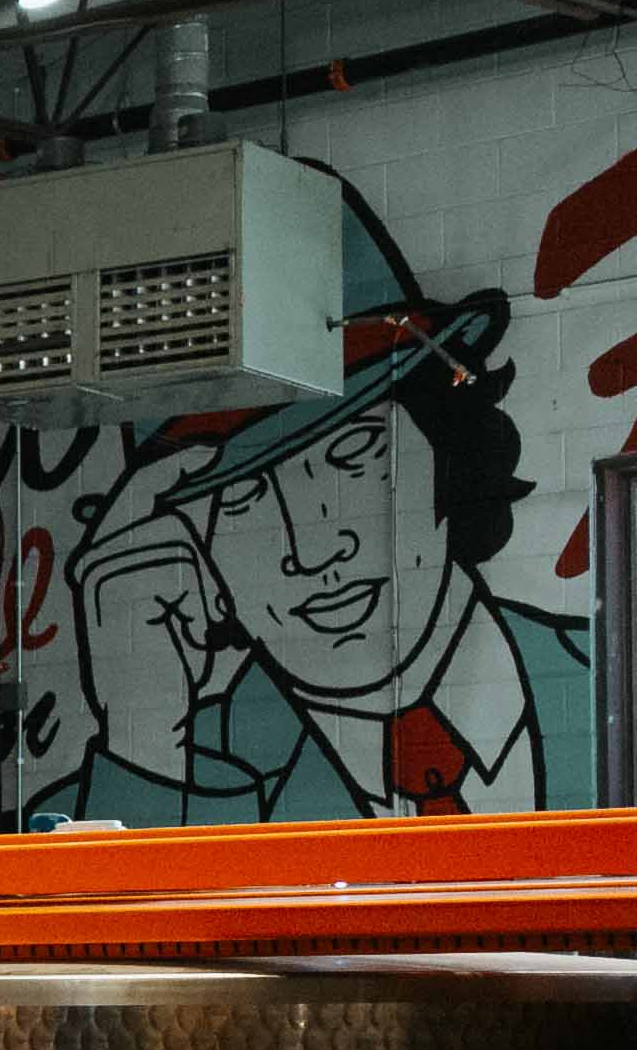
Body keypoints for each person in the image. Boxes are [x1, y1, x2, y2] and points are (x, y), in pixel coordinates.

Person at [57, 296, 587, 824]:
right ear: (194, 552)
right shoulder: (152, 770)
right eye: (242, 498)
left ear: (446, 456)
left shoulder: (598, 679)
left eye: (355, 452)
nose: (312, 554)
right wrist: (144, 740)